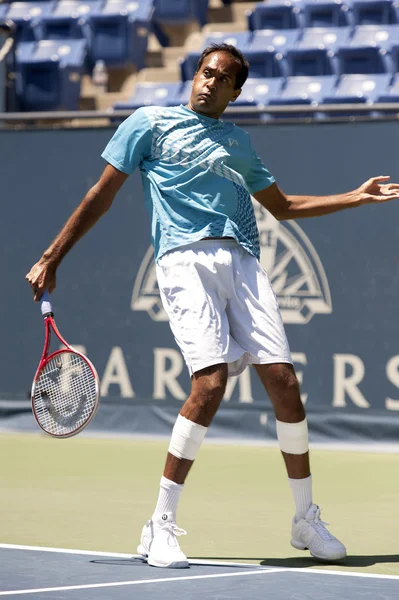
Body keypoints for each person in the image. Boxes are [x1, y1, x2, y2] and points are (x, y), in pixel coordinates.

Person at [26, 43, 399, 570]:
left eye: (221, 78)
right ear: (195, 75)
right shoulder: (148, 123)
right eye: (205, 72)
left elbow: (285, 207)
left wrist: (355, 197)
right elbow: (101, 195)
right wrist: (52, 256)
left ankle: (305, 520)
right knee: (210, 383)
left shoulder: (239, 143)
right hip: (182, 261)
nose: (208, 83)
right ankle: (160, 524)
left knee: (285, 383)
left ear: (235, 91)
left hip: (243, 262)